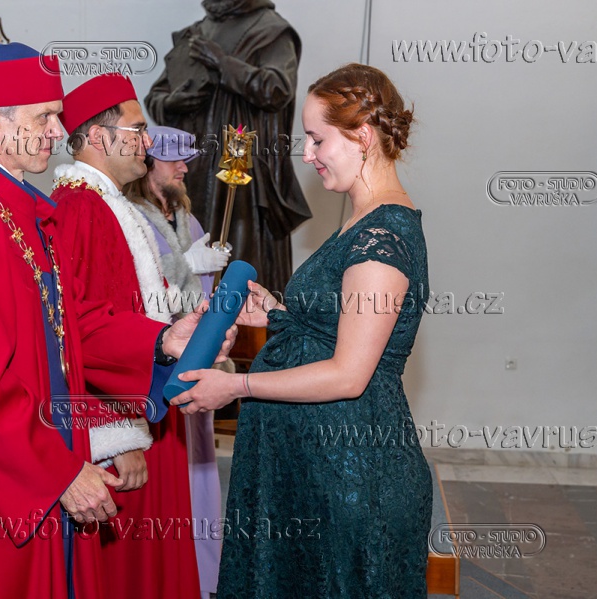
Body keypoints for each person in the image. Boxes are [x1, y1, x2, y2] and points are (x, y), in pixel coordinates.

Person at [0, 44, 233, 599]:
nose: (59, 131)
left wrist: (162, 341)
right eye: (44, 117)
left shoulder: (20, 211)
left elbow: (74, 331)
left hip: (36, 464)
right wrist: (57, 471)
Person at [171, 63, 432, 597]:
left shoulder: (383, 236)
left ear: (362, 136)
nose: (307, 155)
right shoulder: (361, 220)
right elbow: (338, 329)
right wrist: (279, 315)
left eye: (317, 139)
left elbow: (349, 374)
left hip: (352, 476)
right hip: (317, 471)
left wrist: (236, 385)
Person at [49, 74, 201, 599]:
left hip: (145, 405)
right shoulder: (79, 207)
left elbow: (134, 304)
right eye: (137, 130)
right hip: (125, 423)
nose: (148, 141)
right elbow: (79, 335)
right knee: (132, 575)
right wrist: (117, 439)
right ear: (98, 136)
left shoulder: (108, 202)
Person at [144, 0, 312, 295]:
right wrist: (171, 102)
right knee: (194, 247)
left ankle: (245, 322)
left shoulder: (271, 30)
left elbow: (277, 89)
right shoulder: (196, 32)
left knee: (241, 254)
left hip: (241, 169)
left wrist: (222, 62)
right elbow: (156, 95)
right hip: (193, 169)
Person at [124, 125, 227, 598]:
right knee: (167, 474)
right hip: (158, 361)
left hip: (196, 357)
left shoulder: (190, 220)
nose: (184, 167)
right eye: (174, 160)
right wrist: (189, 265)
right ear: (148, 165)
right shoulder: (132, 218)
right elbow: (136, 284)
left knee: (200, 463)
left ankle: (203, 572)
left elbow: (202, 293)